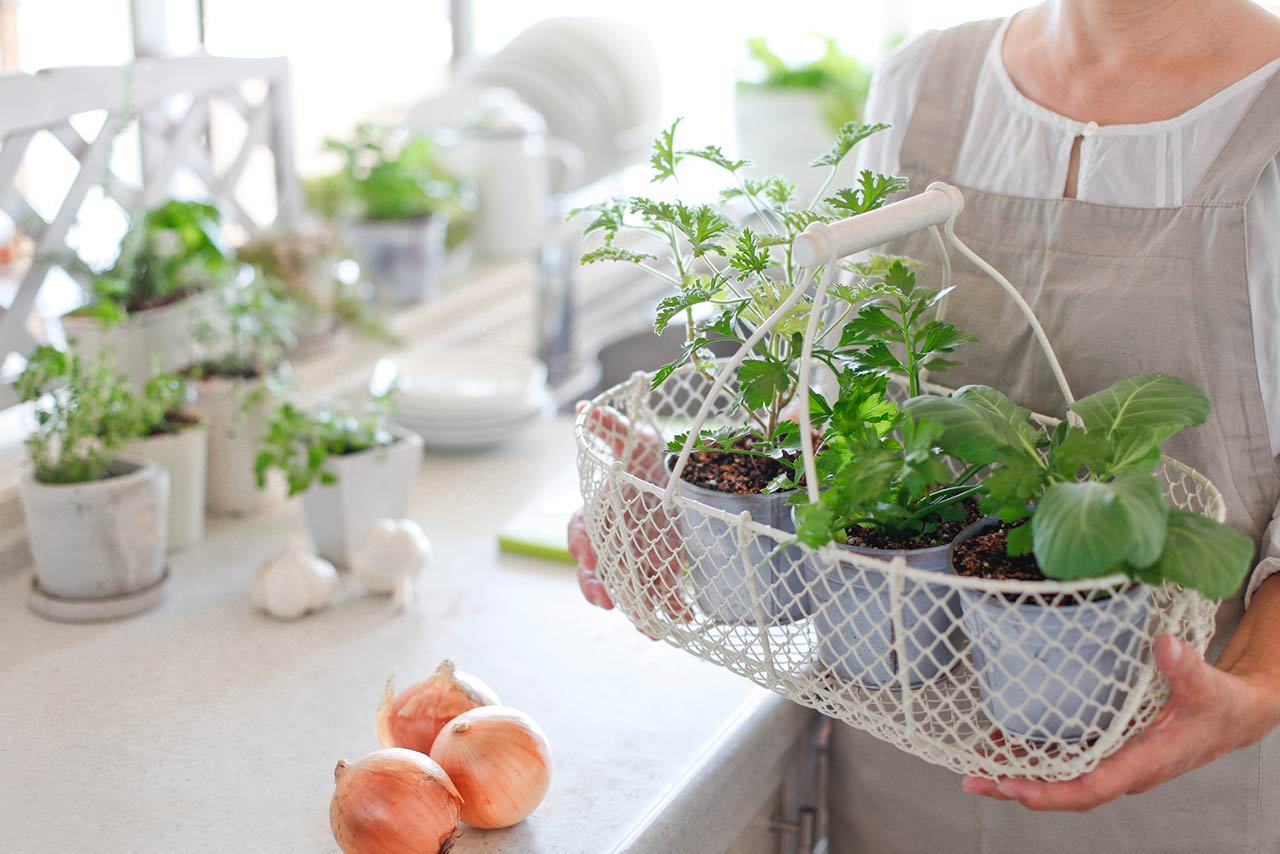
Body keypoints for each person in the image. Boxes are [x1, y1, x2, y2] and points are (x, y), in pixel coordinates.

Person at [570, 1, 1280, 850]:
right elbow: (841, 407)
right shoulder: (923, 84)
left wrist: (1255, 690)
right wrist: (711, 488)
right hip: (898, 780)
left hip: (1179, 793)